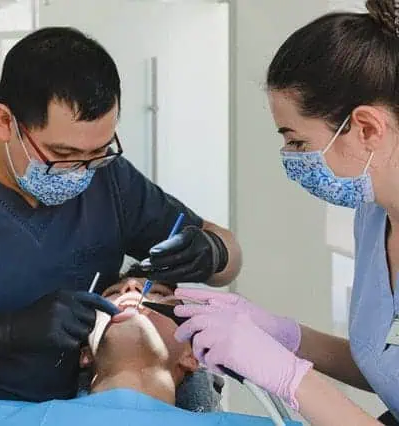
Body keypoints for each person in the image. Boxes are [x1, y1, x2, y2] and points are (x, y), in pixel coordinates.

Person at [0, 27, 242, 426]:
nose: (81, 172)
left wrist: (214, 252)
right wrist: (6, 331)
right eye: (62, 153)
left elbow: (228, 258)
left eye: (98, 152)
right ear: (5, 120)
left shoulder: (112, 181)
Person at [171, 1, 399, 425]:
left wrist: (290, 378)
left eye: (297, 142)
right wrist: (287, 337)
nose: (290, 158)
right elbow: (387, 363)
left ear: (366, 128)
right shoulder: (373, 218)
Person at [0, 277, 299, 426]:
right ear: (85, 353)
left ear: (192, 356)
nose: (132, 289)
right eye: (112, 292)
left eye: (161, 295)